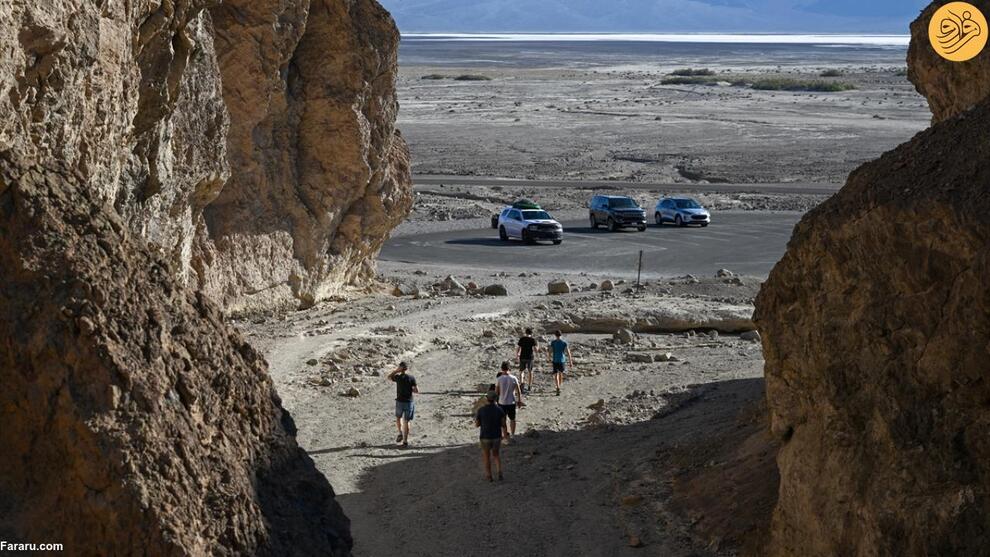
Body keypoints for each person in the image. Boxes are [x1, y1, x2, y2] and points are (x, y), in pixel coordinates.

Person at [475, 391, 507, 481]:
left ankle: (489, 476)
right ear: (496, 399)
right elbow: (503, 424)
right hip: (497, 436)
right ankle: (499, 471)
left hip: (485, 436)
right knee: (496, 455)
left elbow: (477, 425)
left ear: (487, 399)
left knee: (486, 456)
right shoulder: (499, 410)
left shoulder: (481, 410)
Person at [387, 362, 418, 447]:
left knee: (398, 418)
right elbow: (416, 390)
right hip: (409, 402)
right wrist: (409, 389)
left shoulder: (398, 377)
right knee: (407, 421)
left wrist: (396, 371)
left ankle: (400, 433)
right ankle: (405, 441)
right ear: (407, 368)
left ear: (401, 369)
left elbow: (389, 377)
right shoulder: (412, 378)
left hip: (400, 401)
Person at [495, 361, 524, 440]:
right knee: (512, 419)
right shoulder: (514, 378)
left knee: (503, 420)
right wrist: (519, 401)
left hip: (502, 402)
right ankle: (513, 435)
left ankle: (505, 437)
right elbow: (518, 391)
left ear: (502, 368)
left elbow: (496, 392)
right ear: (509, 368)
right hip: (511, 401)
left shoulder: (499, 379)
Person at [548, 330, 573, 396]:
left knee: (556, 374)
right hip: (562, 360)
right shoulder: (564, 343)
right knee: (560, 373)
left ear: (555, 335)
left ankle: (557, 387)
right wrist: (570, 361)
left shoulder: (553, 342)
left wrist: (549, 358)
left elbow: (550, 351)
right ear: (561, 335)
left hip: (555, 359)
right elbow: (568, 352)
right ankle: (559, 386)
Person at [516, 328, 540, 393]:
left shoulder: (522, 339)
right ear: (531, 333)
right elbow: (535, 350)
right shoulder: (533, 340)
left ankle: (522, 384)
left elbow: (518, 348)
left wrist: (517, 355)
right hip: (530, 357)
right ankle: (529, 386)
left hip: (522, 357)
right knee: (530, 372)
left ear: (525, 332)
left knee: (521, 371)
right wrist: (538, 346)